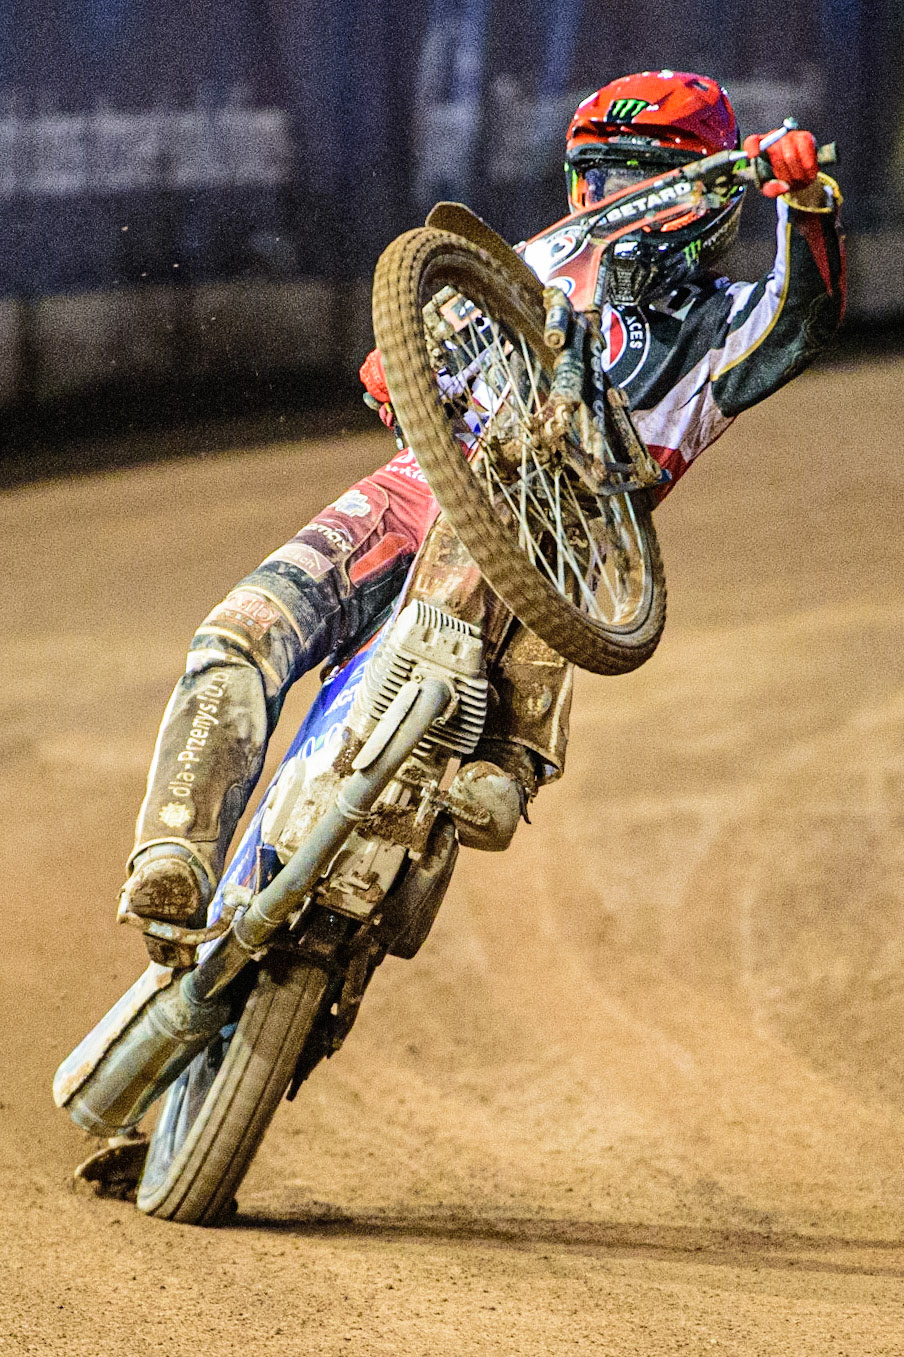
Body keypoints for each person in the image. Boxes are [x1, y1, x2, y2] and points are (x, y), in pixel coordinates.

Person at [119, 70, 845, 968]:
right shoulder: (534, 264)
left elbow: (804, 315)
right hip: (417, 488)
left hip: (557, 546)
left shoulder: (723, 325)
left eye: (639, 180)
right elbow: (419, 332)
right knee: (243, 631)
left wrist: (805, 199)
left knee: (494, 784)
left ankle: (507, 755)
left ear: (702, 191)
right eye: (598, 178)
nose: (611, 201)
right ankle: (173, 854)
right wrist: (398, 359)